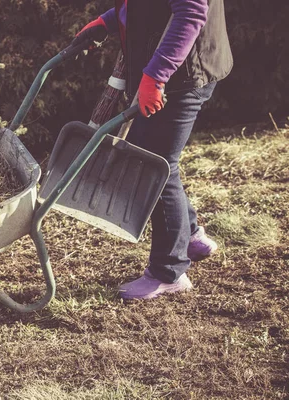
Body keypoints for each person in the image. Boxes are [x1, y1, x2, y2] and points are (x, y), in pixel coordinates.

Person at [72, 0, 233, 299]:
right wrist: (110, 20)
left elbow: (190, 12)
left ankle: (168, 272)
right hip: (179, 68)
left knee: (154, 164)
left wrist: (156, 76)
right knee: (160, 158)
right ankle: (191, 236)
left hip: (181, 74)